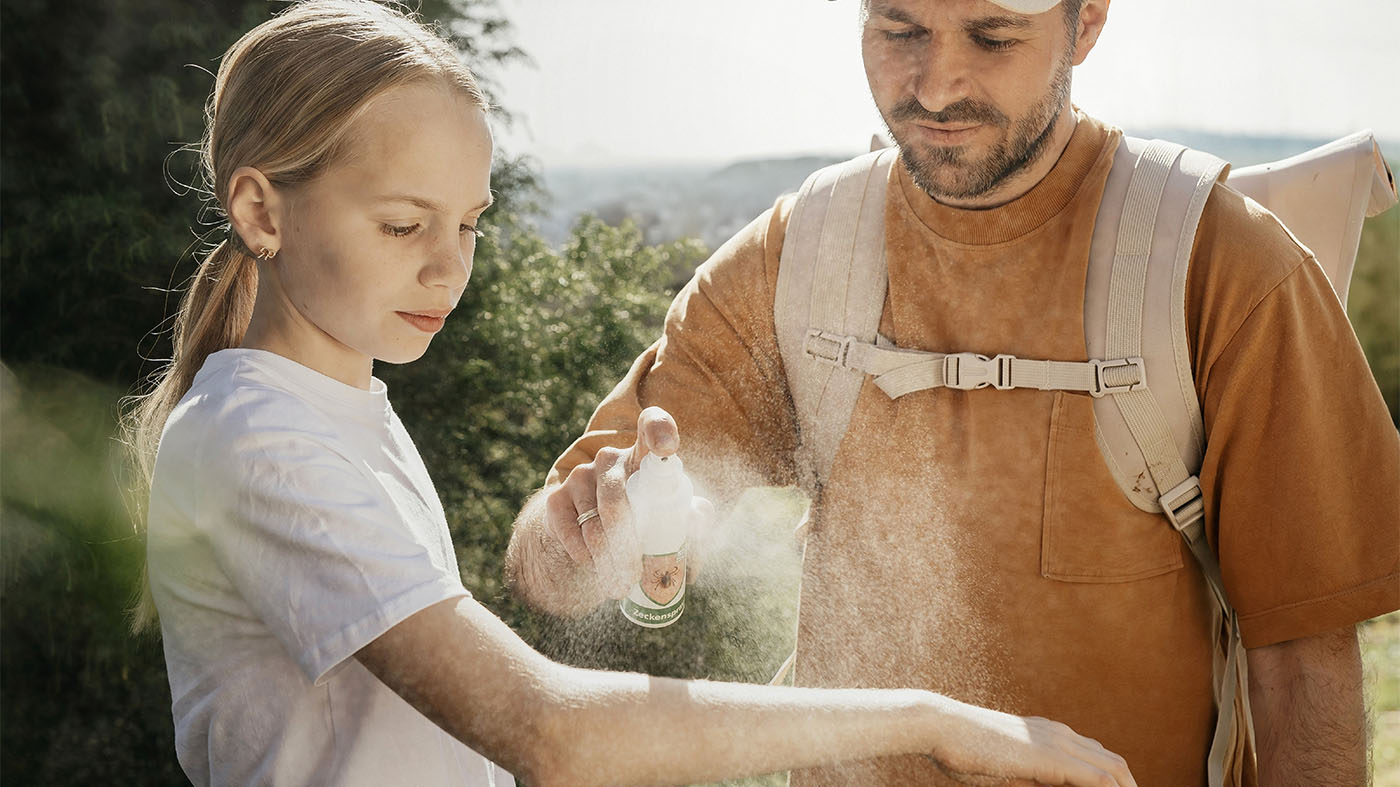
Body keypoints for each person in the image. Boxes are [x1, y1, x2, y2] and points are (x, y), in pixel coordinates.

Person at [125, 2, 1141, 786]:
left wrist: (633, 546)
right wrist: (929, 718)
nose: (448, 267)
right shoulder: (265, 441)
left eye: (469, 223)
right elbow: (550, 732)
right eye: (402, 225)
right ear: (262, 210)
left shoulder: (335, 407)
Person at [505, 0, 1400, 785]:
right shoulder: (797, 260)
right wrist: (595, 534)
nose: (935, 88)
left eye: (992, 37)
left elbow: (1303, 660)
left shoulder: (1226, 266)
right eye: (900, 31)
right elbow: (548, 567)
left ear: (1086, 21)